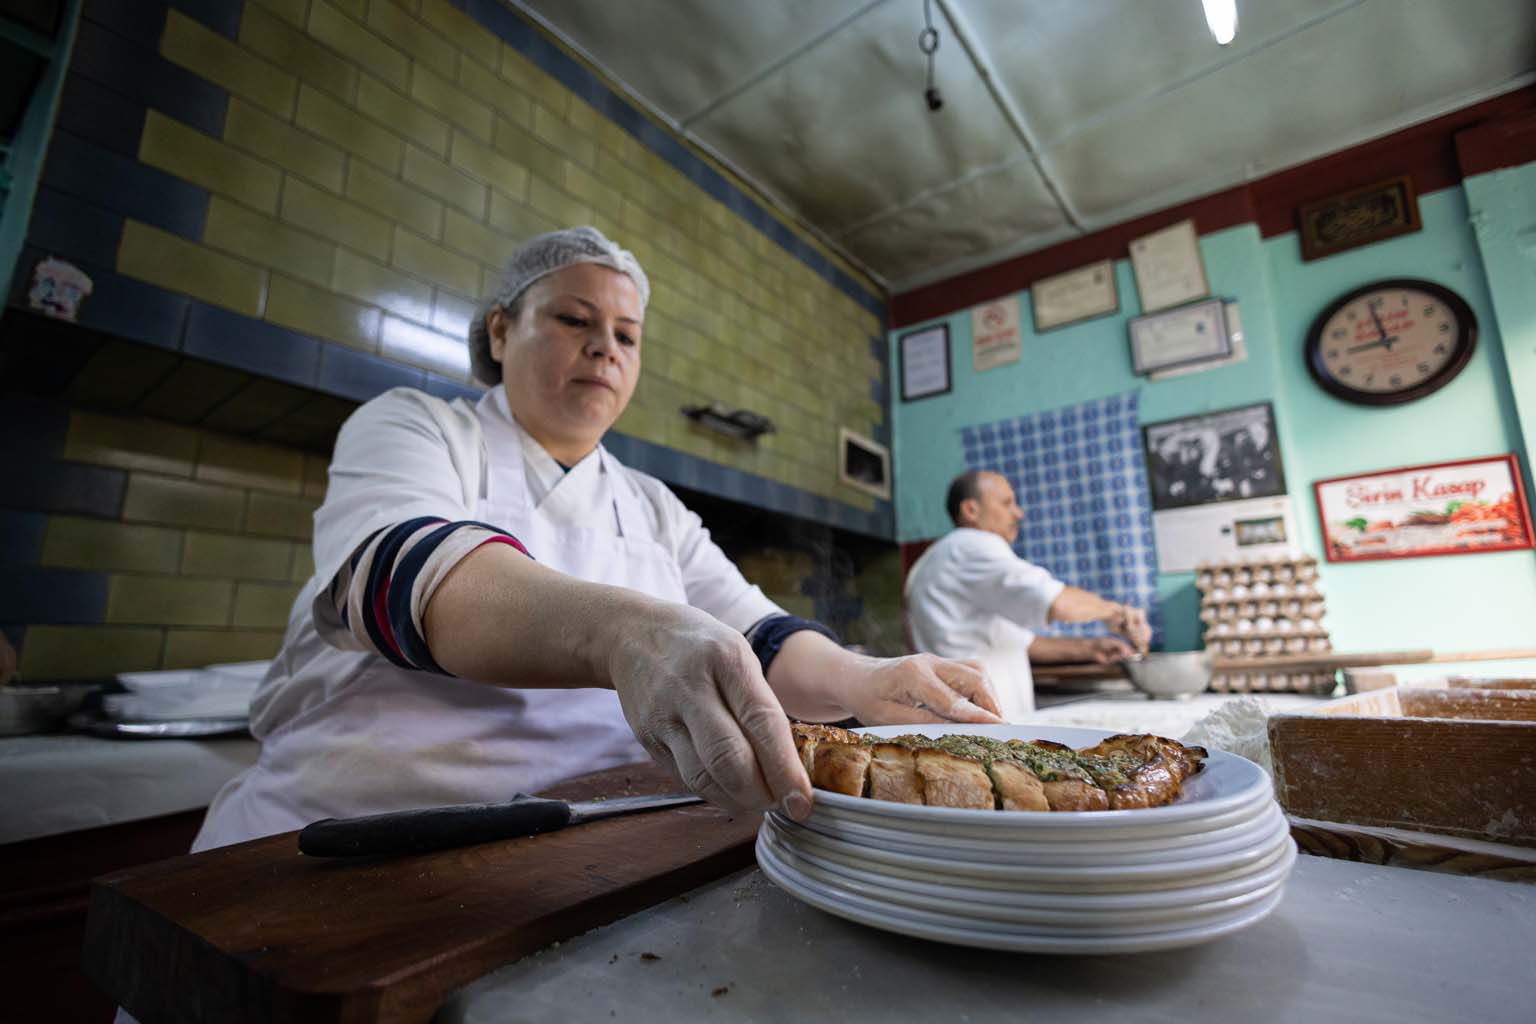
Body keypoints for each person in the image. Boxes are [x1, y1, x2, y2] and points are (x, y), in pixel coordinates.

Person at [191, 227, 1001, 853]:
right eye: (574, 320)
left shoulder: (649, 505)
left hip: (581, 841)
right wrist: (623, 632)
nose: (604, 347)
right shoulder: (418, 426)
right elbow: (404, 576)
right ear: (502, 331)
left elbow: (756, 634)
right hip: (348, 840)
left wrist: (870, 681)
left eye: (626, 334)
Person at [904, 469, 1152, 721]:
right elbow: (1055, 602)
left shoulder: (930, 562)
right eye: (1007, 503)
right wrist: (1117, 613)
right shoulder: (971, 545)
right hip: (983, 722)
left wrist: (1090, 648)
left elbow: (1019, 642)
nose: (1018, 513)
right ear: (970, 510)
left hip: (974, 720)